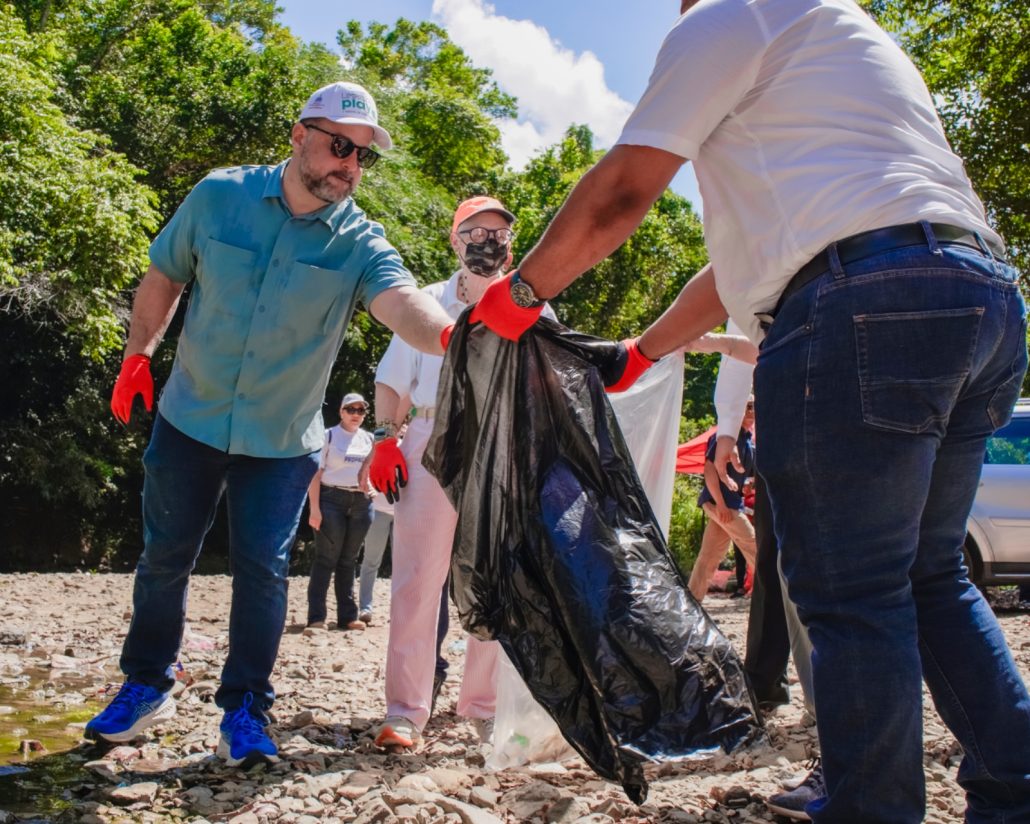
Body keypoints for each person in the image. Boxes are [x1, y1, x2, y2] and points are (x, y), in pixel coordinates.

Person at [466, 1, 1030, 820]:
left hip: (862, 302)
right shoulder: (845, 38)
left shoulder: (731, 17)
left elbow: (624, 189)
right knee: (927, 571)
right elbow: (748, 263)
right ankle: (1015, 788)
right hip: (979, 298)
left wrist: (520, 297)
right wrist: (644, 350)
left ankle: (874, 808)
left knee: (851, 588)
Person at [86, 81, 454, 768]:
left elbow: (404, 305)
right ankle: (146, 684)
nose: (350, 165)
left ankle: (247, 707)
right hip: (188, 420)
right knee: (164, 558)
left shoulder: (358, 240)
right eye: (340, 145)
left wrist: (461, 336)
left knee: (262, 573)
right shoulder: (218, 196)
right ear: (298, 135)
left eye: (363, 156)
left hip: (282, 444)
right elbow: (165, 275)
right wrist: (138, 354)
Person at [368, 196, 546, 751]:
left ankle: (484, 704)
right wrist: (383, 440)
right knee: (418, 581)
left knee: (496, 579)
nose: (489, 241)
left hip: (501, 448)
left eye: (499, 232)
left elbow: (554, 382)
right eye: (476, 231)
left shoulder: (531, 303)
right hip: (428, 439)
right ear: (455, 239)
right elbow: (392, 381)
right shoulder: (424, 303)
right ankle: (405, 711)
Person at [306, 392, 375, 631]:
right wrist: (314, 508)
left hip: (361, 501)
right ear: (341, 412)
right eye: (351, 409)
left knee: (349, 560)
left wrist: (372, 489)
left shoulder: (369, 439)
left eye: (360, 410)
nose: (356, 414)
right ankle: (316, 617)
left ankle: (348, 616)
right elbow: (315, 473)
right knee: (326, 559)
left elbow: (373, 472)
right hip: (331, 498)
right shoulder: (329, 436)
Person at [688, 399, 757, 602]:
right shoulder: (725, 436)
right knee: (754, 546)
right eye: (748, 406)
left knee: (709, 558)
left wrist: (747, 486)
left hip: (730, 504)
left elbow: (748, 479)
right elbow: (709, 470)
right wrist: (721, 504)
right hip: (722, 505)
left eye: (755, 406)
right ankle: (775, 600)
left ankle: (691, 603)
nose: (752, 410)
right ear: (737, 409)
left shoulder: (748, 442)